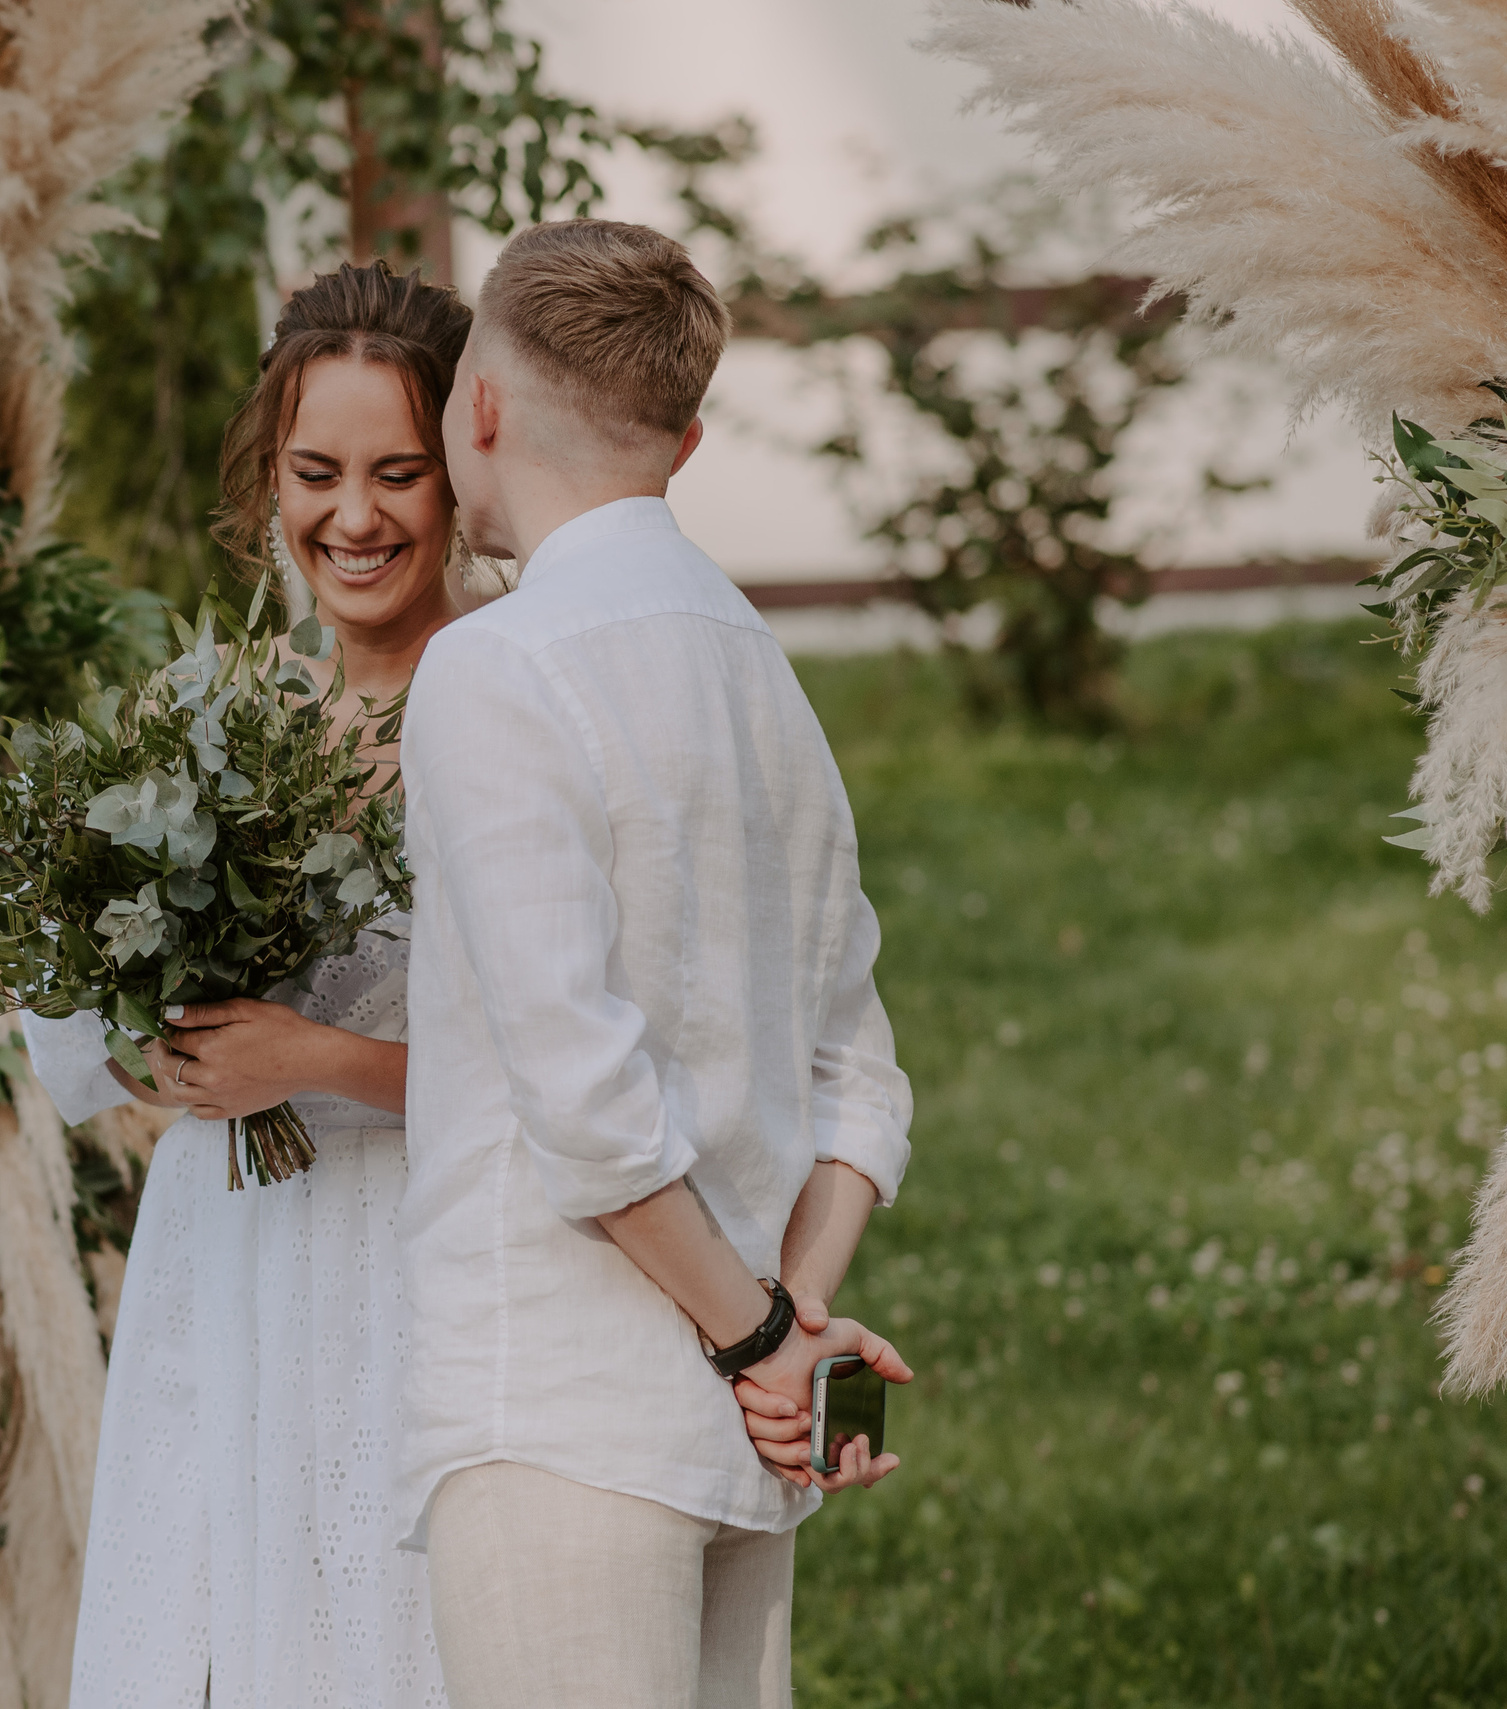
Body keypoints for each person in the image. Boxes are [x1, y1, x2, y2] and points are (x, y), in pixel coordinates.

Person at [396, 219, 916, 1709]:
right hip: (735, 1431)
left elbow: (585, 1100)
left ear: (478, 404)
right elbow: (858, 1075)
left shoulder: (493, 666)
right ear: (683, 443)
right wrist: (790, 1333)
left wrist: (762, 1337)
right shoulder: (765, 667)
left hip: (557, 1405)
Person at [30, 261, 481, 1709]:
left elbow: (574, 1070)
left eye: (397, 472)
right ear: (267, 476)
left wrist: (321, 1060)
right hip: (226, 1254)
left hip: (424, 1252)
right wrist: (148, 1032)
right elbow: (73, 1032)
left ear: (468, 468)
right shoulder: (214, 709)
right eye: (316, 471)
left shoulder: (507, 701)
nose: (353, 518)